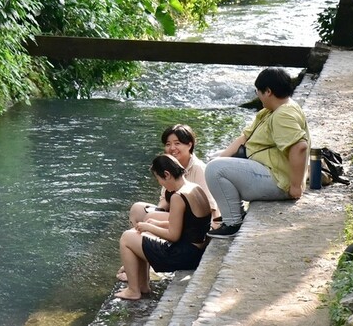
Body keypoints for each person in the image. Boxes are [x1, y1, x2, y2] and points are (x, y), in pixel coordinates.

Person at [204, 67, 310, 239]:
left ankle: (232, 223)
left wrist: (296, 186)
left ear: (268, 91)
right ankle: (234, 212)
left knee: (215, 170)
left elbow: (300, 147)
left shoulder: (283, 115)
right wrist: (221, 157)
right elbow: (245, 137)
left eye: (258, 91)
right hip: (268, 168)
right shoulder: (272, 110)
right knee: (215, 162)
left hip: (279, 180)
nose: (257, 95)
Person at [117, 124, 217, 282]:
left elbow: (211, 209)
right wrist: (153, 220)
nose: (172, 148)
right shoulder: (176, 173)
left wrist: (151, 226)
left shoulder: (196, 171)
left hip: (190, 232)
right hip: (185, 224)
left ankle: (138, 268)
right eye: (168, 144)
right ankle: (138, 259)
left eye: (177, 143)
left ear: (189, 144)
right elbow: (164, 202)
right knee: (138, 210)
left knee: (133, 234)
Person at [115, 154, 212, 300]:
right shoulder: (195, 188)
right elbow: (189, 224)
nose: (160, 183)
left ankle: (133, 290)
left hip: (183, 255)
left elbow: (173, 235)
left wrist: (149, 228)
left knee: (127, 238)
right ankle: (143, 286)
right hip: (196, 251)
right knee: (139, 236)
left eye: (159, 179)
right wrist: (155, 224)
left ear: (167, 174)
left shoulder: (178, 197)